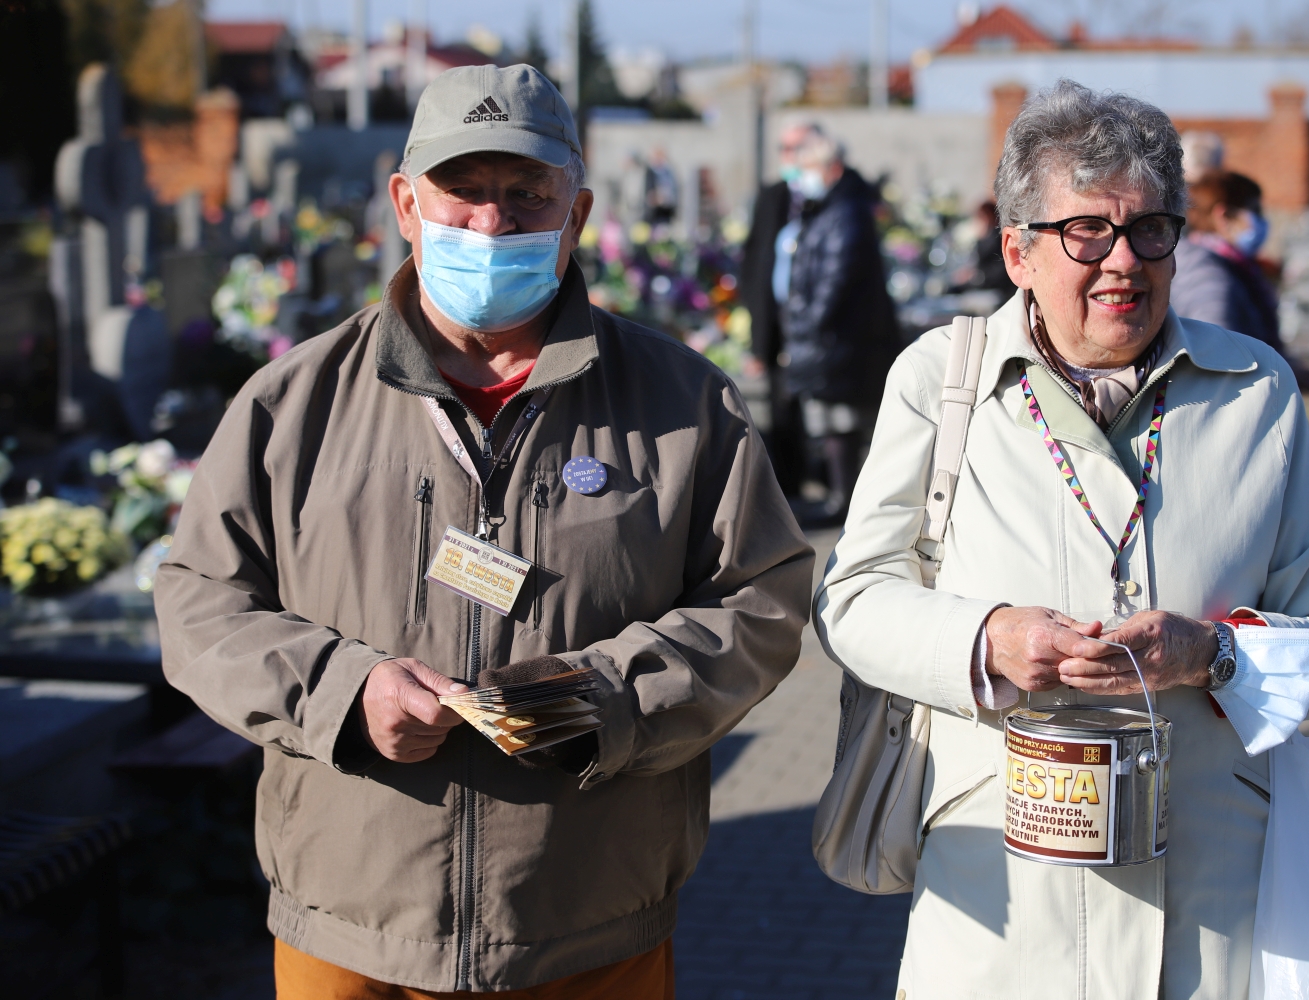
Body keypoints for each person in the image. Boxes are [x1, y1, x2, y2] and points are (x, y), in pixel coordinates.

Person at [155, 64, 813, 998]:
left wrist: (611, 699)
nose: (491, 226)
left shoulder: (681, 401)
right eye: (461, 195)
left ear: (575, 211)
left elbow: (764, 599)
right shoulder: (294, 402)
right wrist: (345, 692)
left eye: (526, 196)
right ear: (405, 204)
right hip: (350, 931)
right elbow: (199, 600)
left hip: (587, 927)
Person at [815, 80, 1309, 997]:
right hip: (1000, 915)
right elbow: (852, 596)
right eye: (1086, 231)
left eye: (1150, 228)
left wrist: (1215, 654)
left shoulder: (1255, 390)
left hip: (1215, 917)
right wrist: (986, 638)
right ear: (1017, 252)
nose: (1123, 261)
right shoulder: (939, 379)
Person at [781, 129, 899, 524]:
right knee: (834, 423)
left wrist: (809, 324)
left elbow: (836, 277)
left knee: (843, 423)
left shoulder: (844, 212)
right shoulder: (832, 208)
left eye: (808, 168)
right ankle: (840, 496)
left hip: (842, 339)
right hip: (836, 339)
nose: (803, 176)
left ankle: (844, 501)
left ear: (829, 168)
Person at [1173, 170, 1309, 392]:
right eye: (1255, 211)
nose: (1261, 222)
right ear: (1225, 217)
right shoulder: (1208, 275)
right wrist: (1283, 374)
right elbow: (1219, 356)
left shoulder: (1228, 265)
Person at [741, 121, 815, 494]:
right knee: (781, 405)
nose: (791, 157)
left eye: (798, 147)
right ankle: (790, 484)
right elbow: (756, 264)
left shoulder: (830, 195)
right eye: (785, 149)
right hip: (779, 320)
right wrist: (758, 338)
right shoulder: (773, 195)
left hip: (816, 322)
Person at [948, 200, 1017, 302]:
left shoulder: (996, 239)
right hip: (987, 286)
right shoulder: (985, 239)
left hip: (998, 291)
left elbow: (999, 270)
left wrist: (975, 276)